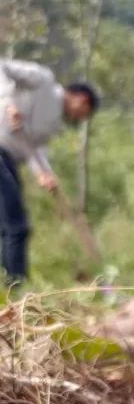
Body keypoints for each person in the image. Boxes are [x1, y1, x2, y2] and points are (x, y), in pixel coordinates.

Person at [0, 60, 98, 284]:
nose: (80, 118)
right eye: (84, 113)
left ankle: (10, 287)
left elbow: (35, 150)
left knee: (9, 225)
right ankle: (16, 288)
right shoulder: (43, 79)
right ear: (81, 99)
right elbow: (2, 66)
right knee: (17, 227)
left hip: (9, 160)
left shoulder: (54, 124)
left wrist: (44, 174)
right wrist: (7, 104)